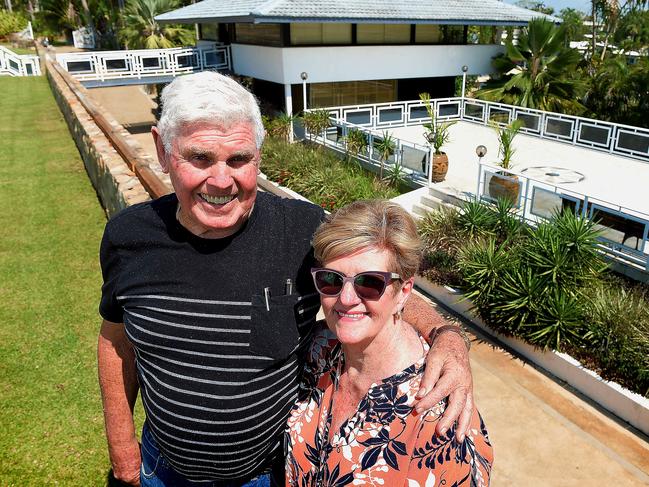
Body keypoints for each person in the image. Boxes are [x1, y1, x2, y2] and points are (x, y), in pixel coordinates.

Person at [97, 71, 475, 487]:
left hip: (266, 476)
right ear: (162, 150)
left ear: (259, 154)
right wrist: (122, 446)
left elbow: (380, 281)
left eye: (239, 159)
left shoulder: (301, 232)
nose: (221, 181)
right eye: (200, 158)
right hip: (161, 470)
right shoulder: (128, 237)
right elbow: (116, 339)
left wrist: (447, 336)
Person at [286, 200, 493, 486]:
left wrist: (450, 336)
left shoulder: (436, 415)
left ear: (403, 292)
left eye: (369, 283)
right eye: (332, 279)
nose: (346, 299)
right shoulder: (319, 349)